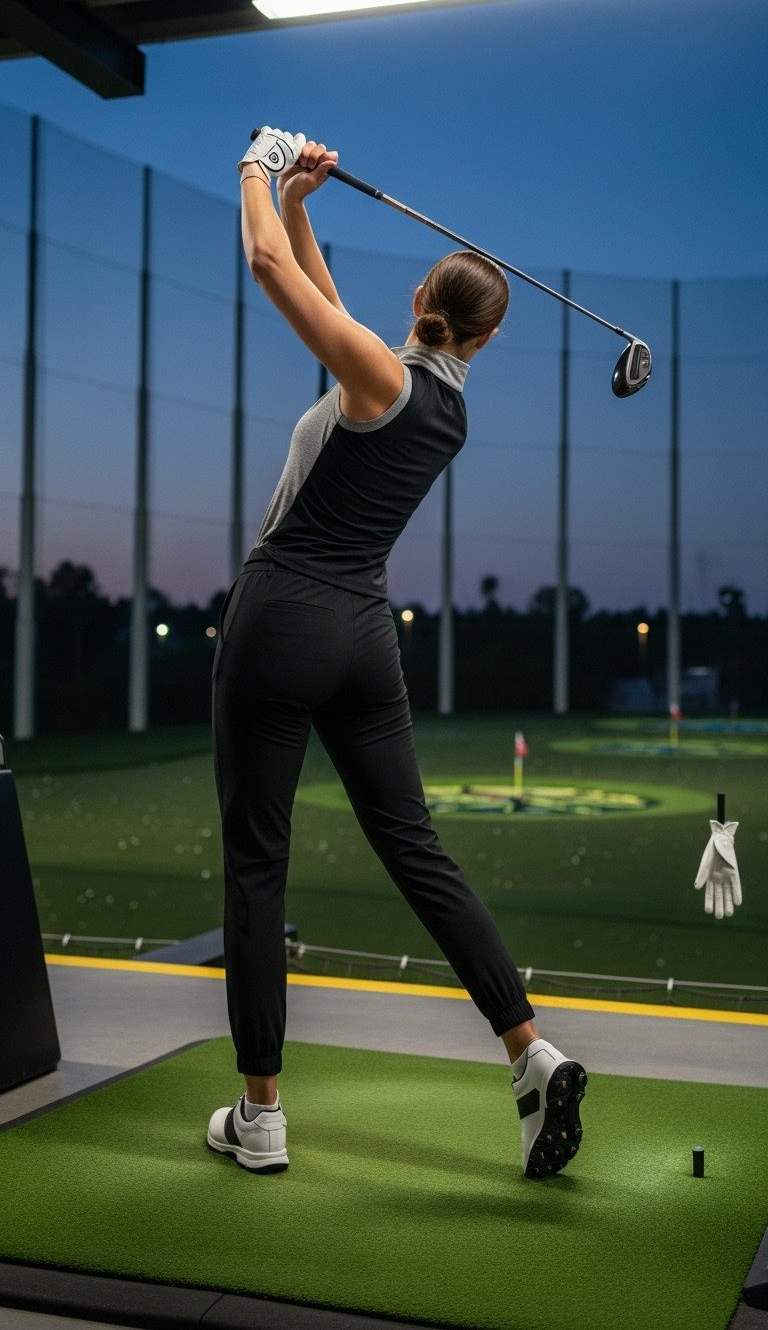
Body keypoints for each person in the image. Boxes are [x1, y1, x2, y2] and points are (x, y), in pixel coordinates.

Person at [207, 128, 587, 1180]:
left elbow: (270, 277)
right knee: (416, 848)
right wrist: (300, 200)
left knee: (257, 861)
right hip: (365, 640)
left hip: (284, 617)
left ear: (422, 293)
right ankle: (529, 1048)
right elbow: (321, 308)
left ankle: (261, 1115)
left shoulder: (380, 373)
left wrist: (253, 163)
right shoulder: (441, 402)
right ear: (489, 338)